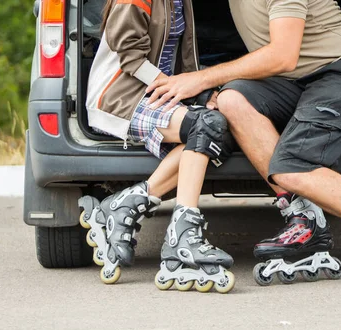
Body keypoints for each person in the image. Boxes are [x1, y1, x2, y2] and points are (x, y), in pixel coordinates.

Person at [145, 0, 341, 289]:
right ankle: (305, 219)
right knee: (231, 99)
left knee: (292, 166)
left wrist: (200, 79)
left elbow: (282, 55)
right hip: (296, 83)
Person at [79, 0, 236, 293]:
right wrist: (177, 89)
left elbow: (186, 60)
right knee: (206, 127)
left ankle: (124, 204)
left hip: (159, 94)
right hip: (122, 96)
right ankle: (184, 236)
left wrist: (202, 95)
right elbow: (130, 57)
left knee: (218, 132)